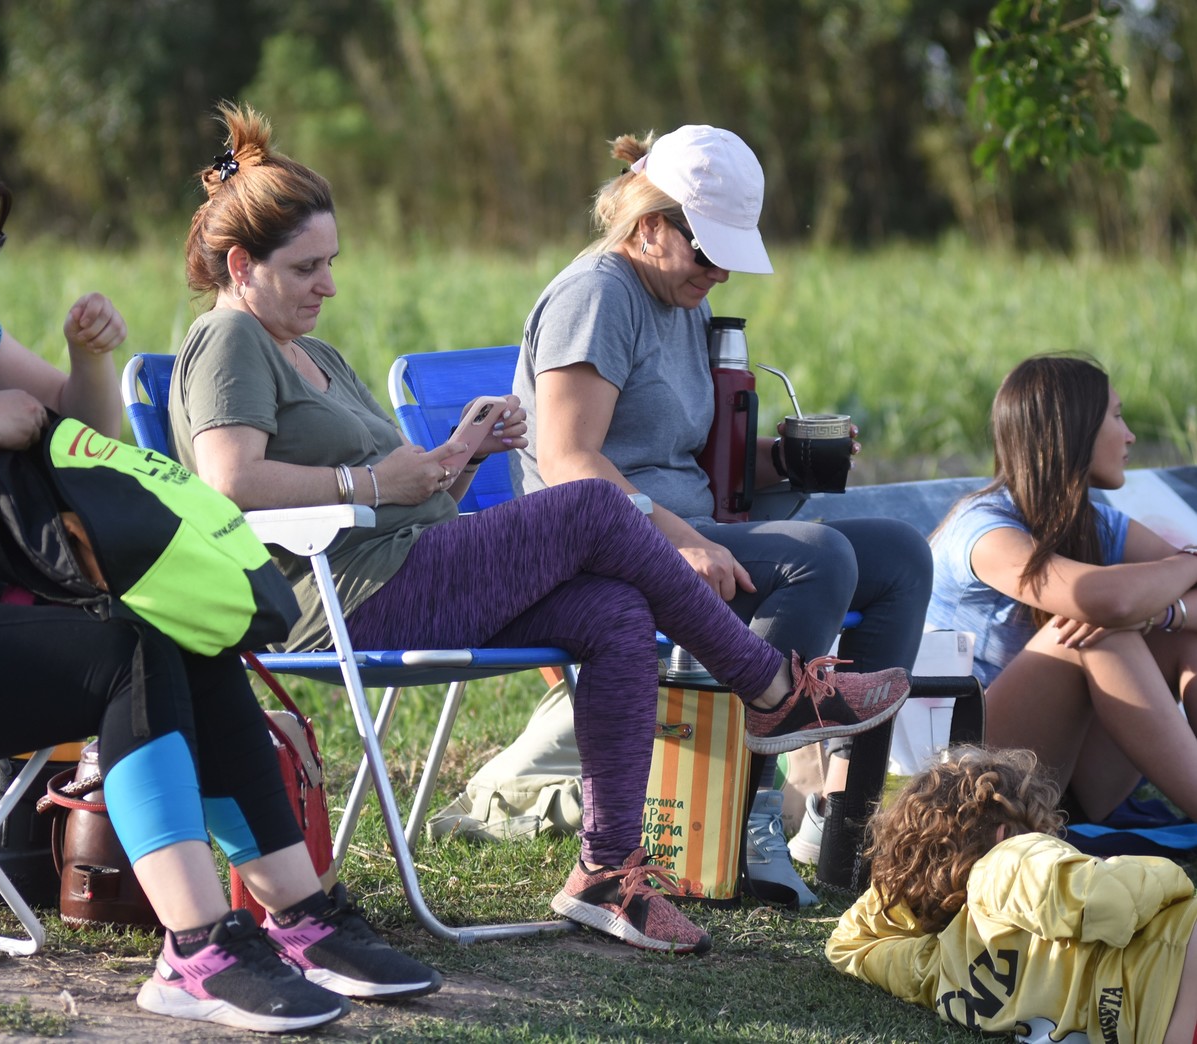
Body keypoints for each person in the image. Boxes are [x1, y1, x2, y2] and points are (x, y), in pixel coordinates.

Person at [167, 102, 911, 953]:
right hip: (341, 599)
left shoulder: (315, 352)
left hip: (410, 565)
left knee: (613, 612)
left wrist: (455, 459)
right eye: (307, 268)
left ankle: (606, 872)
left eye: (330, 263)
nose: (327, 285)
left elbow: (404, 491)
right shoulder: (227, 339)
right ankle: (771, 690)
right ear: (241, 265)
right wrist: (371, 480)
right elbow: (228, 481)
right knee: (594, 503)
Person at [0, 113, 441, 1035]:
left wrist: (89, 360)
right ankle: (197, 947)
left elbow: (83, 440)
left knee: (185, 632)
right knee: (125, 655)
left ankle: (301, 915)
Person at [512, 124, 934, 904]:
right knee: (817, 558)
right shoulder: (597, 295)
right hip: (594, 543)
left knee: (900, 554)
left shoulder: (676, 297)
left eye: (729, 256)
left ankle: (847, 831)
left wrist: (790, 459)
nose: (720, 273)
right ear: (649, 226)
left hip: (679, 525)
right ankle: (746, 813)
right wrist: (677, 541)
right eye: (707, 252)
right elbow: (568, 460)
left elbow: (687, 457)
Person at [926, 353, 1197, 825]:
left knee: (1183, 634)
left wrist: (1164, 614)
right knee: (1096, 630)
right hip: (963, 782)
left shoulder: (1096, 523)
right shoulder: (983, 529)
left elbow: (1139, 603)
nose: (1130, 435)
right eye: (1117, 416)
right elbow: (1105, 600)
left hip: (1065, 777)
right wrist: (1189, 561)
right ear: (1073, 429)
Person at [827, 745, 1197, 1044]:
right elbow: (1114, 899)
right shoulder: (1008, 862)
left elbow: (849, 943)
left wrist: (906, 878)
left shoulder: (945, 971)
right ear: (1005, 834)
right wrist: (1162, 877)